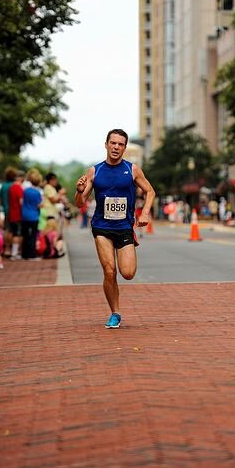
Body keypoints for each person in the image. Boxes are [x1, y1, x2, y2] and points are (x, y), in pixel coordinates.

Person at [75, 128, 155, 329]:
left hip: (124, 227)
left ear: (125, 148)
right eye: (113, 143)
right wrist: (78, 191)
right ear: (106, 144)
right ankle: (115, 313)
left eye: (121, 144)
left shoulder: (133, 169)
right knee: (109, 270)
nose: (116, 147)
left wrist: (144, 213)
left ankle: (115, 306)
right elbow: (79, 202)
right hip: (101, 227)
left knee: (127, 273)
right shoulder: (95, 171)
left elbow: (150, 191)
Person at [21, 169, 43, 260]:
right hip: (34, 216)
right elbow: (39, 205)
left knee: (25, 236)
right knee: (33, 236)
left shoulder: (25, 190)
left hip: (24, 215)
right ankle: (32, 255)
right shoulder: (37, 192)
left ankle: (24, 254)